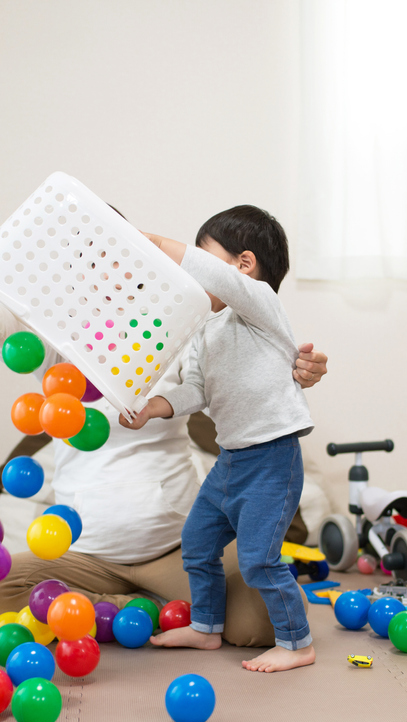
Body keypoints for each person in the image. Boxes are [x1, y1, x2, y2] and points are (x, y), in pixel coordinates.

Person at [0, 233, 327, 648]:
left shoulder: (180, 325)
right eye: (89, 264)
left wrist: (298, 365)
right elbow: (8, 334)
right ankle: (138, 608)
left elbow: (245, 355)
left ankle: (132, 610)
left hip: (175, 550)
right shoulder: (60, 340)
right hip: (84, 555)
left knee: (259, 623)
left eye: (117, 258)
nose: (106, 274)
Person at [123, 206, 315, 673]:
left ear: (244, 265)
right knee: (198, 541)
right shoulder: (205, 329)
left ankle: (298, 644)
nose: (194, 280)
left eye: (205, 262)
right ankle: (206, 627)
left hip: (273, 459)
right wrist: (154, 407)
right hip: (231, 459)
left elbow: (213, 276)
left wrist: (146, 240)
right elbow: (196, 391)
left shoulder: (261, 307)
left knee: (257, 560)